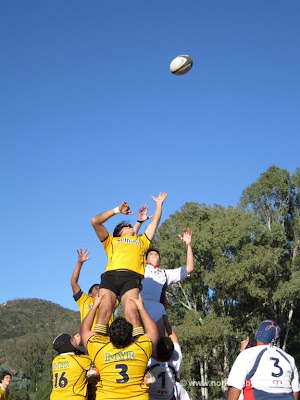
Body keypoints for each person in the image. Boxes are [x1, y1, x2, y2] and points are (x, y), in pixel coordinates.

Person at [91, 192, 167, 338]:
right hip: (110, 277)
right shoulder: (111, 241)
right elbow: (95, 221)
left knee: (132, 315)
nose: (130, 226)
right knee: (104, 313)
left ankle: (136, 350)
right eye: (126, 225)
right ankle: (98, 353)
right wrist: (117, 211)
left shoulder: (142, 241)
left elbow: (155, 222)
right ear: (120, 232)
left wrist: (159, 204)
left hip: (131, 279)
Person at [80, 292, 159, 400]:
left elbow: (84, 330)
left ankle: (94, 367)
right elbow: (153, 331)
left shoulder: (100, 349)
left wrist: (94, 306)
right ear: (131, 336)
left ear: (109, 337)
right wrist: (141, 307)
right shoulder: (141, 348)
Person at [140, 228, 194, 337]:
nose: (155, 255)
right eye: (151, 254)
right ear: (145, 259)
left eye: (157, 254)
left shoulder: (165, 273)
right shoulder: (140, 268)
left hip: (157, 308)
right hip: (139, 304)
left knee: (158, 342)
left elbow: (189, 268)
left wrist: (188, 246)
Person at [227, 320, 300, 400]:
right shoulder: (289, 358)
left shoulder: (247, 354)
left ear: (259, 333)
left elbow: (235, 386)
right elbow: (295, 391)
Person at [71, 248, 116, 331]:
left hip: (108, 340)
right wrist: (79, 263)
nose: (99, 289)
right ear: (90, 294)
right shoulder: (84, 300)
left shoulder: (110, 299)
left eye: (101, 287)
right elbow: (74, 282)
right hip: (90, 338)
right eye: (96, 288)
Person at [147, 316, 190, 400]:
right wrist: (166, 321)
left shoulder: (148, 362)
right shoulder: (176, 361)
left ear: (155, 351)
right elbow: (175, 340)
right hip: (168, 398)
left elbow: (174, 340)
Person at [50, 333, 91, 400]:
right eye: (72, 339)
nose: (75, 340)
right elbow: (95, 358)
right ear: (68, 345)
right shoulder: (80, 360)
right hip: (74, 397)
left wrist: (75, 345)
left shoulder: (55, 361)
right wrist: (80, 344)